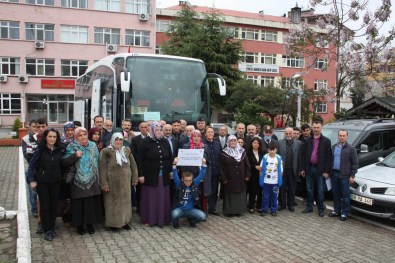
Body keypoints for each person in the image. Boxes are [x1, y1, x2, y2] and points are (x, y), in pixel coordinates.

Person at [27, 128, 66, 241]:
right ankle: (46, 230)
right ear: (45, 137)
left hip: (56, 182)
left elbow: (64, 164)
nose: (52, 139)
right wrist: (31, 180)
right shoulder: (40, 149)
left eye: (54, 137)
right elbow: (32, 165)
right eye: (50, 136)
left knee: (53, 206)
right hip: (42, 182)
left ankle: (52, 228)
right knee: (45, 206)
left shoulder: (60, 148)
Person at [63, 127, 104, 235]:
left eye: (84, 134)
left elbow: (97, 160)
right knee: (79, 204)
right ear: (76, 136)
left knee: (90, 203)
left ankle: (90, 224)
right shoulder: (72, 146)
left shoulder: (93, 145)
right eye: (80, 135)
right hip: (78, 180)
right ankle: (79, 226)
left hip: (92, 179)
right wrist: (75, 156)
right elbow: (64, 162)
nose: (83, 137)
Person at [99, 133, 138, 231]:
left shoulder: (126, 150)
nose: (118, 142)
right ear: (112, 140)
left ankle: (125, 222)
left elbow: (133, 165)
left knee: (125, 203)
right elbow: (102, 169)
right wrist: (104, 184)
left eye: (120, 140)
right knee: (113, 204)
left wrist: (135, 178)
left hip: (125, 183)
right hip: (112, 184)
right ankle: (113, 224)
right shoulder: (106, 151)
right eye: (116, 140)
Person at [138, 122, 172, 227]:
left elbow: (170, 157)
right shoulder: (145, 142)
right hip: (150, 176)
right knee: (151, 199)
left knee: (162, 198)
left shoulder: (165, 142)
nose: (159, 132)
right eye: (156, 129)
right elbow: (140, 160)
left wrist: (170, 171)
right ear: (152, 130)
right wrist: (141, 175)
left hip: (164, 175)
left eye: (160, 130)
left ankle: (163, 219)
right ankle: (150, 219)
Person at [300, 121, 332, 217]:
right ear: (312, 128)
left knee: (320, 190)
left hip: (320, 169)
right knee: (309, 189)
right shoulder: (308, 140)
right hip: (309, 168)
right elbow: (303, 156)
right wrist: (302, 169)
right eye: (314, 127)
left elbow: (328, 158)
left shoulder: (326, 141)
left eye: (318, 127)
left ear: (321, 128)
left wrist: (327, 171)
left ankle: (321, 208)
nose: (316, 129)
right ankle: (309, 207)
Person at [329, 129, 358, 221]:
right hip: (334, 174)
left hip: (345, 175)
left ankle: (345, 213)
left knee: (345, 195)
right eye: (340, 135)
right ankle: (336, 210)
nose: (341, 137)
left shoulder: (351, 148)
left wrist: (352, 176)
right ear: (338, 136)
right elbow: (330, 161)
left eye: (343, 136)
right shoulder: (334, 147)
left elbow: (355, 163)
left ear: (347, 137)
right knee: (336, 194)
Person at [171, 157, 207, 228]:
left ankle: (192, 222)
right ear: (182, 179)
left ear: (192, 179)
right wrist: (174, 163)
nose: (188, 182)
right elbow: (175, 174)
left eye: (190, 180)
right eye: (186, 180)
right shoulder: (179, 184)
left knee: (203, 216)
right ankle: (176, 222)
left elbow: (201, 174)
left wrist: (204, 163)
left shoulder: (194, 184)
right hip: (180, 209)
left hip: (191, 210)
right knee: (174, 214)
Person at [220, 135, 251, 216]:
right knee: (230, 194)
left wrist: (247, 175)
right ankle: (230, 211)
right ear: (228, 142)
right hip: (229, 178)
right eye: (231, 141)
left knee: (240, 194)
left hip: (240, 178)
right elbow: (221, 167)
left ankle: (238, 210)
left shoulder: (242, 151)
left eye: (234, 141)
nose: (233, 142)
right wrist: (224, 178)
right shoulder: (224, 153)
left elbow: (247, 164)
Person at [277, 127, 302, 212]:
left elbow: (300, 158)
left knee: (292, 188)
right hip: (282, 170)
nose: (288, 135)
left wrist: (300, 169)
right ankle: (282, 204)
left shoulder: (299, 143)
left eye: (290, 133)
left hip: (293, 170)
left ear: (292, 133)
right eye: (286, 133)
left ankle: (291, 205)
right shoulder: (279, 143)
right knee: (282, 188)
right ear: (284, 134)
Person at [259, 141, 283, 217]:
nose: (272, 151)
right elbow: (261, 169)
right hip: (266, 181)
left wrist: (279, 180)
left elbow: (281, 171)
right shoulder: (265, 158)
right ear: (268, 150)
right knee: (265, 196)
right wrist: (261, 179)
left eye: (273, 150)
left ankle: (274, 210)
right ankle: (264, 209)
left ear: (276, 150)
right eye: (270, 149)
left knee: (274, 196)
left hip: (275, 182)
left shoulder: (279, 158)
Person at [21, 119, 38, 217]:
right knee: (33, 192)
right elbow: (27, 156)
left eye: (37, 126)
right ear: (29, 127)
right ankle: (34, 210)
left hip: (41, 170)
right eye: (34, 126)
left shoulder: (41, 138)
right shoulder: (26, 139)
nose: (36, 128)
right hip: (30, 169)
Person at [203, 126, 221, 216]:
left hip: (215, 172)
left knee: (214, 191)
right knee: (206, 190)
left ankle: (212, 208)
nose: (210, 134)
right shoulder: (202, 144)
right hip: (206, 172)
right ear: (205, 134)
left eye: (212, 132)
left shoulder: (217, 144)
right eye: (208, 132)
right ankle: (204, 208)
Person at [246, 137, 264, 214]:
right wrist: (255, 167)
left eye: (257, 143)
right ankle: (251, 206)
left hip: (261, 175)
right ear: (251, 144)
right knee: (252, 191)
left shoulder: (263, 152)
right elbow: (247, 163)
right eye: (254, 143)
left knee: (260, 191)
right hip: (252, 175)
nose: (256, 144)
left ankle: (259, 206)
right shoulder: (248, 153)